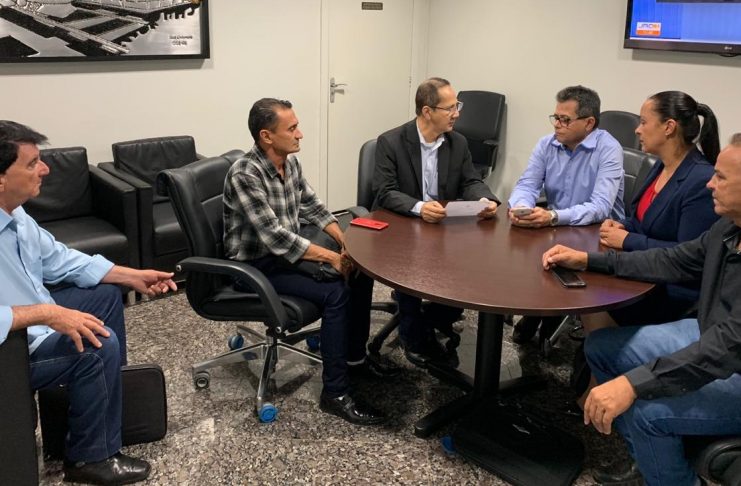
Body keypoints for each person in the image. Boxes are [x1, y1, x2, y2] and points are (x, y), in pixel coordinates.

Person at [540, 137, 741, 486]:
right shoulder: (728, 227)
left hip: (729, 359)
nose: (710, 183)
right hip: (711, 336)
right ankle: (650, 461)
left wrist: (634, 384)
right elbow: (672, 260)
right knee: (601, 347)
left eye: (721, 177)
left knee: (649, 411)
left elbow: (725, 347)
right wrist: (590, 260)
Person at [0, 121, 177, 485]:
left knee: (104, 295)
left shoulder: (16, 216)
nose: (44, 169)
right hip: (10, 350)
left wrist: (132, 276)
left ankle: (101, 411)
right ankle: (90, 457)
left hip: (30, 324)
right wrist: (46, 313)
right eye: (32, 163)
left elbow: (62, 260)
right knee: (98, 347)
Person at [223, 98, 397, 426]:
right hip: (254, 267)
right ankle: (335, 393)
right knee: (335, 292)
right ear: (266, 136)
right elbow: (275, 238)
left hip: (282, 257)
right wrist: (332, 257)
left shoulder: (290, 163)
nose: (300, 134)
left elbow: (313, 207)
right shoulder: (245, 174)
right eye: (292, 128)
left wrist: (346, 245)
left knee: (358, 272)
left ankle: (355, 359)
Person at [372, 77, 500, 368]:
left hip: (442, 226)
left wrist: (484, 199)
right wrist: (419, 208)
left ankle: (427, 319)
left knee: (468, 273)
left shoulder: (458, 142)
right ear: (427, 111)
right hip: (403, 225)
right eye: (450, 108)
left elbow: (471, 181)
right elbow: (385, 192)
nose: (457, 114)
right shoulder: (391, 142)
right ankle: (412, 334)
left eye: (458, 106)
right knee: (411, 268)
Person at [508, 85, 625, 344]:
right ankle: (539, 307)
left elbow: (600, 207)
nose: (557, 125)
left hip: (598, 234)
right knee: (519, 252)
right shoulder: (547, 144)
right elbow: (527, 184)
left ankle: (549, 313)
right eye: (556, 118)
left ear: (589, 123)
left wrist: (552, 217)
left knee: (553, 256)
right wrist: (522, 208)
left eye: (565, 120)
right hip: (558, 226)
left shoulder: (608, 149)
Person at [593, 91, 720, 329]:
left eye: (643, 122)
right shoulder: (661, 165)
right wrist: (623, 225)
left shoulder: (701, 180)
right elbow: (642, 221)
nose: (637, 130)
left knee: (593, 290)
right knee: (587, 279)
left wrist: (627, 239)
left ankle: (603, 348)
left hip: (672, 290)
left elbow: (685, 256)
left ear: (669, 127)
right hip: (643, 270)